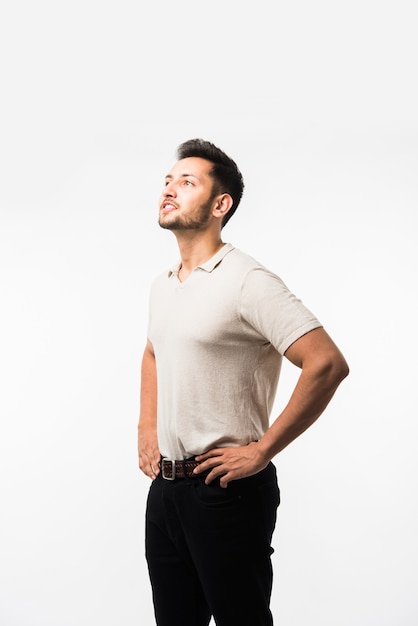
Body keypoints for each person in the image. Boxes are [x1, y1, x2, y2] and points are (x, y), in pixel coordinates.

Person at [138, 138, 349, 626]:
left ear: (220, 204)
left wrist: (262, 450)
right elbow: (152, 350)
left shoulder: (248, 280)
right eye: (168, 180)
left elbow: (327, 363)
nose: (170, 189)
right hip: (166, 492)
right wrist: (146, 428)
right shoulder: (164, 283)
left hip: (225, 491)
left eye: (187, 182)